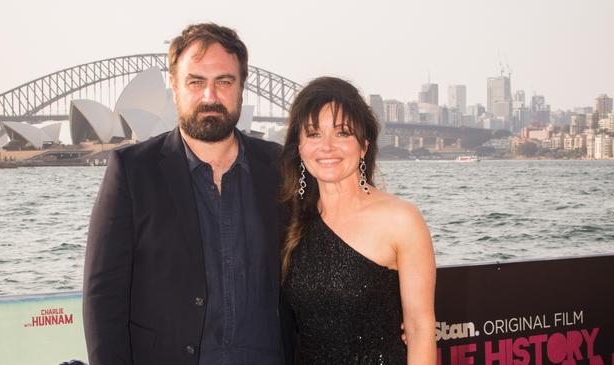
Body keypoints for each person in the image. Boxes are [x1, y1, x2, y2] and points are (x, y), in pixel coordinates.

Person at [83, 23, 289, 365]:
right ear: (174, 86)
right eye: (196, 82)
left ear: (241, 88)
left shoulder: (279, 166)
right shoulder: (133, 170)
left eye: (224, 81)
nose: (210, 96)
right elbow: (104, 296)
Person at [280, 77, 436, 364]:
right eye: (313, 134)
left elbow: (420, 329)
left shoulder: (401, 219)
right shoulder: (292, 220)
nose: (327, 147)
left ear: (364, 145)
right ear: (299, 147)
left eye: (342, 133)